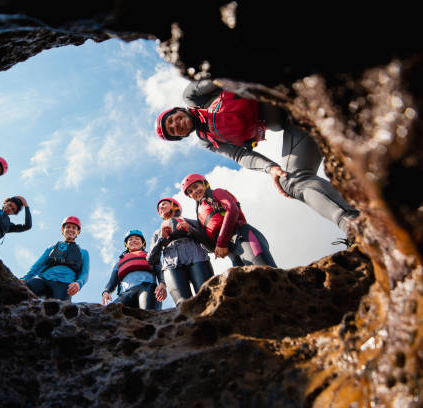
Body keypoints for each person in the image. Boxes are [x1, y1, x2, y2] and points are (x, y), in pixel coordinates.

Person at [155, 79, 359, 234]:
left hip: (292, 91)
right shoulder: (207, 140)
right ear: (180, 137)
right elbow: (240, 156)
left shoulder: (193, 96)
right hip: (294, 122)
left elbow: (219, 76)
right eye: (173, 130)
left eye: (172, 120)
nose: (176, 125)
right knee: (291, 182)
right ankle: (354, 223)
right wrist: (271, 169)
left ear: (177, 110)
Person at [182, 173, 276, 267]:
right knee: (246, 281)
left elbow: (232, 209)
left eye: (196, 186)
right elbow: (210, 244)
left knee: (265, 272)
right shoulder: (200, 214)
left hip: (243, 237)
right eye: (190, 191)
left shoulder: (216, 193)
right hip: (230, 249)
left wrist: (221, 243)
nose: (194, 191)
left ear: (204, 184)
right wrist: (189, 229)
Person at [147, 198, 215, 306]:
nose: (161, 208)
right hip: (171, 266)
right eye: (159, 209)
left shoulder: (192, 222)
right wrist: (161, 239)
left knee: (207, 298)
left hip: (198, 258)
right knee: (182, 305)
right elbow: (151, 260)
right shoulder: (157, 233)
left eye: (164, 204)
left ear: (174, 205)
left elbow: (211, 245)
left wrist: (190, 229)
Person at [20, 216, 89, 301]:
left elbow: (85, 273)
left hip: (64, 285)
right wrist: (25, 278)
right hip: (43, 279)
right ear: (63, 230)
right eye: (68, 227)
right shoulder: (51, 248)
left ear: (78, 232)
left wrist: (79, 283)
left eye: (74, 228)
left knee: (62, 309)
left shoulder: (83, 253)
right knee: (23, 292)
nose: (71, 229)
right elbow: (37, 265)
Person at [101, 229, 167, 310]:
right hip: (126, 293)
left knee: (147, 313)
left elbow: (160, 270)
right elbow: (113, 280)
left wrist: (162, 283)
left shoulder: (151, 256)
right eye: (130, 239)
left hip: (147, 287)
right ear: (126, 244)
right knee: (110, 313)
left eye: (137, 239)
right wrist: (106, 291)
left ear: (143, 243)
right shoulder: (120, 261)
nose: (134, 241)